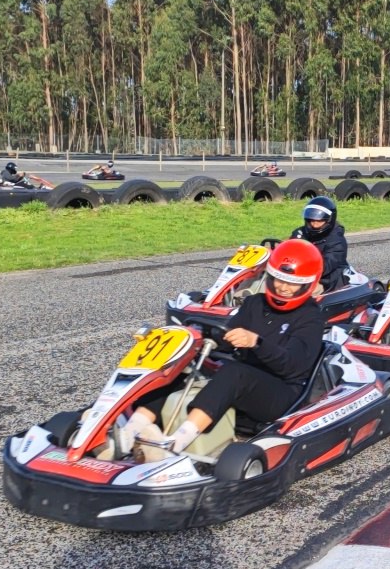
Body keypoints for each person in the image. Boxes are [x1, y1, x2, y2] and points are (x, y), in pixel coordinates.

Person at [121, 239, 326, 457]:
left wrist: (256, 343)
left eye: (292, 283)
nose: (283, 287)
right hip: (244, 376)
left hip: (282, 392)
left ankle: (176, 444)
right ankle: (129, 432)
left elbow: (293, 366)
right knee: (181, 366)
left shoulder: (311, 317)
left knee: (235, 373)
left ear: (307, 284)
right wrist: (202, 337)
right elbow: (228, 335)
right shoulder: (255, 303)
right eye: (278, 279)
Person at [289, 196, 348, 292]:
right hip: (295, 277)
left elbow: (326, 266)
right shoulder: (300, 233)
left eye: (319, 221)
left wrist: (303, 266)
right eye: (311, 220)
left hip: (325, 281)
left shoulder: (337, 241)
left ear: (329, 220)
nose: (314, 224)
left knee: (299, 291)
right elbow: (288, 249)